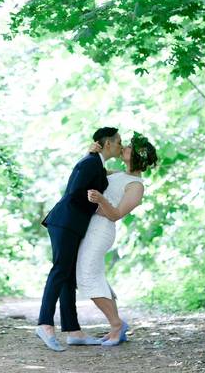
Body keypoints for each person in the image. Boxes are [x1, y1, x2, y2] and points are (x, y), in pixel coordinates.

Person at [34, 127, 121, 351]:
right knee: (60, 270)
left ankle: (74, 331)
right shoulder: (90, 161)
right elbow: (75, 193)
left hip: (72, 224)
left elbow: (94, 186)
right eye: (118, 142)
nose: (121, 146)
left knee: (68, 276)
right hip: (65, 222)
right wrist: (96, 204)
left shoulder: (97, 164)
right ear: (108, 143)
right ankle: (44, 324)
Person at [78, 133, 158, 346]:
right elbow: (92, 172)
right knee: (94, 274)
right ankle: (117, 324)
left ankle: (116, 324)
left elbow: (116, 214)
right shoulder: (118, 174)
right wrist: (92, 152)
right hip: (91, 226)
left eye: (129, 147)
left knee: (86, 275)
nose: (124, 147)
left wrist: (101, 199)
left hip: (102, 230)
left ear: (138, 157)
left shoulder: (136, 186)